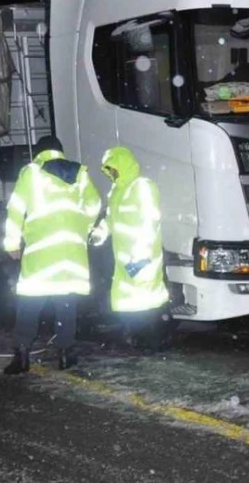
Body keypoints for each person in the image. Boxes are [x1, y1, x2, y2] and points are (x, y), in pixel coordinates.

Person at [2, 135, 101, 374]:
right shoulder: (80, 174)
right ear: (61, 151)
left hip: (41, 253)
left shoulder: (32, 173)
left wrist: (12, 244)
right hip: (71, 255)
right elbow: (95, 204)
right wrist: (82, 226)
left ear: (39, 152)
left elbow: (15, 210)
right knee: (65, 305)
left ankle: (22, 355)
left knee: (29, 303)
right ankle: (66, 354)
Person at [90, 146, 172, 351]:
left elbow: (149, 220)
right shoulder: (116, 192)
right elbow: (110, 218)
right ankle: (138, 338)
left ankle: (152, 340)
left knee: (148, 300)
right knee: (131, 301)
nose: (111, 173)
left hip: (143, 257)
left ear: (123, 164)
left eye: (113, 168)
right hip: (124, 259)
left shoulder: (142, 186)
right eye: (109, 169)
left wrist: (142, 252)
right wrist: (99, 234)